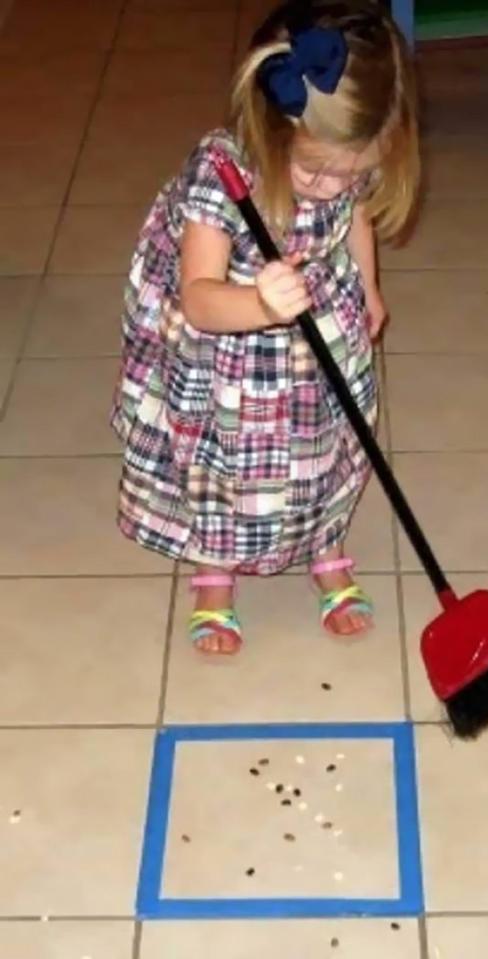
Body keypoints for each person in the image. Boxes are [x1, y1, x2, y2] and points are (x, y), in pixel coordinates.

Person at [111, 0, 419, 655]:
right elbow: (198, 297)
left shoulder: (342, 173)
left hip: (316, 331)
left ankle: (322, 541)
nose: (333, 184)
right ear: (269, 131)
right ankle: (215, 572)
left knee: (326, 442)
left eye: (354, 171)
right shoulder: (221, 178)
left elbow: (354, 217)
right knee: (228, 469)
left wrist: (366, 285)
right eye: (315, 170)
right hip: (232, 352)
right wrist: (258, 303)